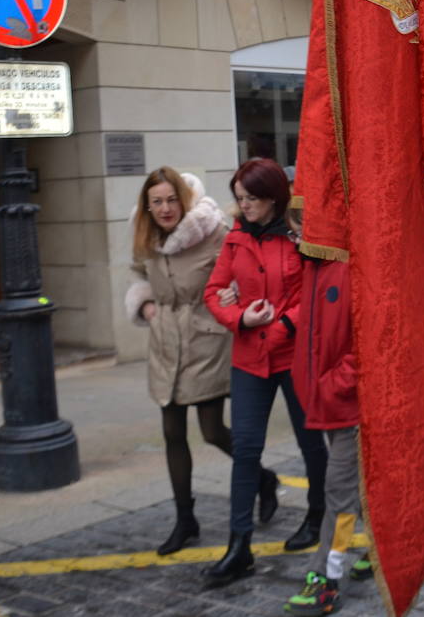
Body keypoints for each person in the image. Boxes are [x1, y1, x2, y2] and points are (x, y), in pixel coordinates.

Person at [202, 159, 328, 588]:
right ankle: (240, 546)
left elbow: (311, 294)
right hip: (249, 359)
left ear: (273, 197)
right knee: (246, 451)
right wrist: (240, 317)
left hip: (294, 355)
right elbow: (213, 292)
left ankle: (317, 514)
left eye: (251, 198)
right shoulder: (235, 239)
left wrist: (281, 326)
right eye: (239, 198)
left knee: (311, 442)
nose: (243, 206)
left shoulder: (298, 239)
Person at [126, 169, 235, 556]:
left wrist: (221, 313)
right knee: (173, 432)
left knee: (212, 431)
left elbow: (237, 278)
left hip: (206, 341)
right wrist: (146, 304)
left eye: (171, 199)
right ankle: (185, 519)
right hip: (166, 341)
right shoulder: (147, 235)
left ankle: (265, 479)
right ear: (147, 205)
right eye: (157, 201)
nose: (165, 208)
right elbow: (139, 273)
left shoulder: (213, 232)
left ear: (183, 200)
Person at [283, 212, 373, 615]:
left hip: (347, 405)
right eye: (294, 224)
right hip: (326, 401)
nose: (299, 232)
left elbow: (367, 341)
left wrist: (334, 384)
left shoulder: (349, 267)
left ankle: (326, 576)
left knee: (339, 494)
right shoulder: (312, 265)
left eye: (304, 223)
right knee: (360, 485)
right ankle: (378, 547)